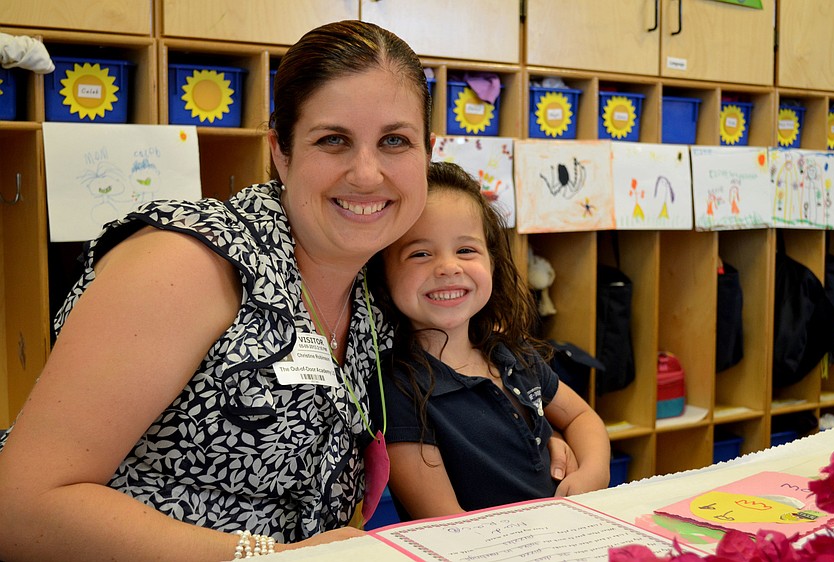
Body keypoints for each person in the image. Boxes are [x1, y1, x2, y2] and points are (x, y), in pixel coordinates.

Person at [0, 20, 434, 561]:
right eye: (333, 140)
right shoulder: (186, 260)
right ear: (281, 150)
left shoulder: (381, 285)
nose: (367, 174)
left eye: (395, 141)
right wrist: (265, 559)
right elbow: (19, 509)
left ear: (427, 153)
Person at [368, 161, 611, 520]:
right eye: (420, 253)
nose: (448, 267)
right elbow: (443, 519)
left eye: (466, 250)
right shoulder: (398, 388)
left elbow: (580, 417)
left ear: (493, 263)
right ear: (382, 273)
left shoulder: (513, 355)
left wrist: (593, 471)